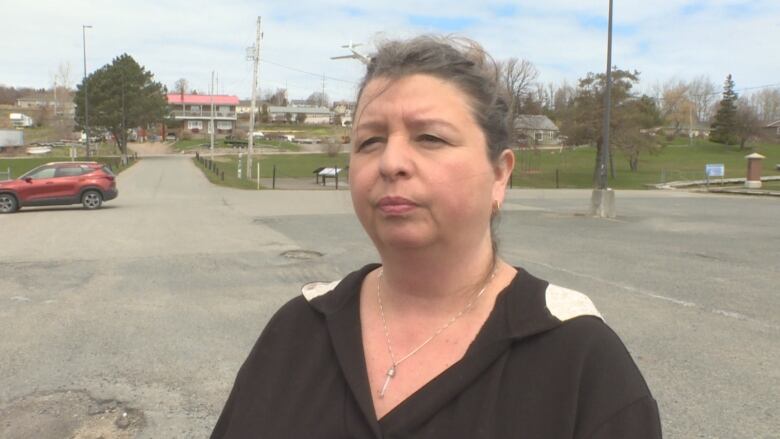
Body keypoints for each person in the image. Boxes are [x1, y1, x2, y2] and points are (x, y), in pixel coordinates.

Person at [211, 35, 662, 438]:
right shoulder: (296, 332)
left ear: (500, 175)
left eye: (428, 137)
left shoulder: (580, 361)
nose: (391, 162)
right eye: (370, 141)